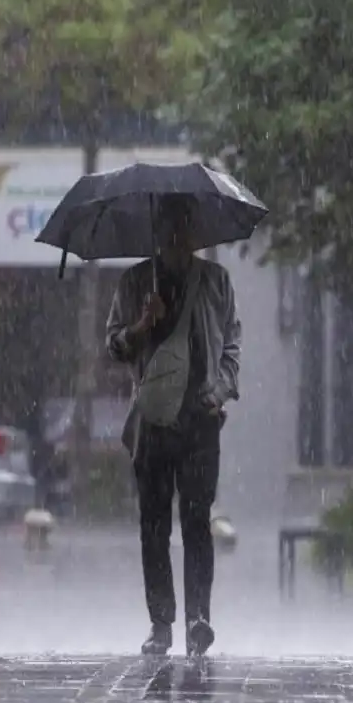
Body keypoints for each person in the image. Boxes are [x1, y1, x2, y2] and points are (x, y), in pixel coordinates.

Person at [105, 194, 242, 657]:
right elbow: (116, 347)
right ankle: (161, 623)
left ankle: (199, 618)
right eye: (169, 224)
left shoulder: (216, 281)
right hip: (153, 424)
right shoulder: (135, 282)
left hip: (201, 420)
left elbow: (231, 348)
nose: (178, 233)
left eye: (185, 223)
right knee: (154, 525)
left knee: (197, 521)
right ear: (158, 229)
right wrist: (144, 324)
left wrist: (219, 391)